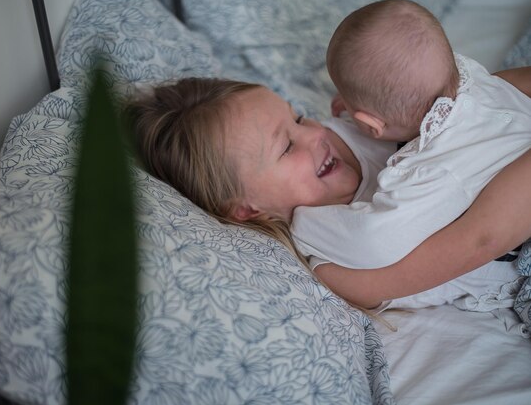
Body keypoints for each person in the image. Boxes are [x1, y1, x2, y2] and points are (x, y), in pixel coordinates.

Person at [125, 72, 531, 312]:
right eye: (285, 148)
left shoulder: (356, 125)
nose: (314, 136)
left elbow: (476, 93)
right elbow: (481, 237)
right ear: (246, 210)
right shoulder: (342, 266)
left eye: (298, 117)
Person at [290, 0, 531, 309]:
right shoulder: (479, 79)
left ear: (371, 125)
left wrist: (303, 225)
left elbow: (374, 240)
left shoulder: (428, 171)